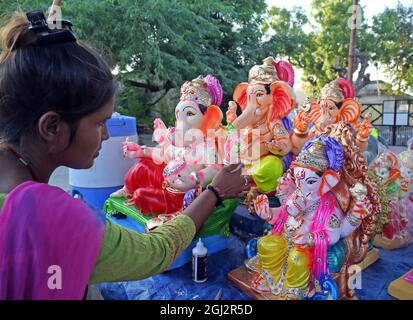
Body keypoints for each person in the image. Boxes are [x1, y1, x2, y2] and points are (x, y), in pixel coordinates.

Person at [0, 11, 249, 300]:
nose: (106, 134)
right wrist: (215, 191)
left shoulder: (210, 143)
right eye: (99, 123)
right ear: (52, 127)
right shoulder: (56, 218)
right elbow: (155, 252)